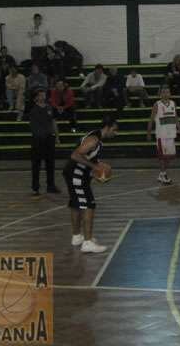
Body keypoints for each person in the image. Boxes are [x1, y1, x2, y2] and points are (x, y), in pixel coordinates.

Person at [63, 116, 119, 253]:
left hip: (75, 173)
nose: (116, 133)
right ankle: (87, 243)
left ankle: (77, 237)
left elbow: (88, 157)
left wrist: (98, 166)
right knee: (89, 205)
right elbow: (75, 155)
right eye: (115, 129)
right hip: (76, 174)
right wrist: (95, 168)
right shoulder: (94, 140)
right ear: (108, 127)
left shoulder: (96, 139)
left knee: (76, 204)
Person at [147, 85, 180, 184]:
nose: (166, 94)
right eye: (163, 92)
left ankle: (162, 174)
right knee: (162, 157)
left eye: (167, 92)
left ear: (170, 93)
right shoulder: (157, 105)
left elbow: (176, 117)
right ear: (160, 94)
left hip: (171, 134)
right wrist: (149, 132)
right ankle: (163, 175)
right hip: (161, 135)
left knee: (169, 157)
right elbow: (151, 119)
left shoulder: (173, 103)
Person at [29, 89, 60, 196]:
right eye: (40, 95)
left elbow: (53, 122)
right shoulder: (33, 110)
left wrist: (56, 136)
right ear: (36, 97)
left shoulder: (49, 108)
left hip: (49, 139)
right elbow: (33, 127)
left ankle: (50, 186)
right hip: (38, 140)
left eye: (44, 94)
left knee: (50, 164)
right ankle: (35, 187)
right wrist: (40, 136)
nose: (43, 96)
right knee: (36, 164)